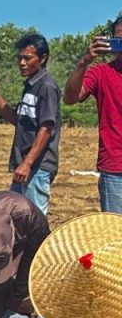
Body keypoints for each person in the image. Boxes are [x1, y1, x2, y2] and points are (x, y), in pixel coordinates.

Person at [0, 32, 61, 215]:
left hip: (37, 167)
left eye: (27, 58)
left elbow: (46, 127)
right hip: (25, 166)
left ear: (42, 58)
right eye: (19, 58)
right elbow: (19, 121)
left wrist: (27, 163)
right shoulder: (30, 86)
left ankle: (39, 245)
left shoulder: (46, 86)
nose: (22, 63)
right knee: (16, 218)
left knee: (33, 221)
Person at [63, 15, 122, 213]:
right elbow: (70, 98)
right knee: (116, 235)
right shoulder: (100, 72)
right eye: (119, 40)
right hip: (115, 169)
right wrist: (84, 62)